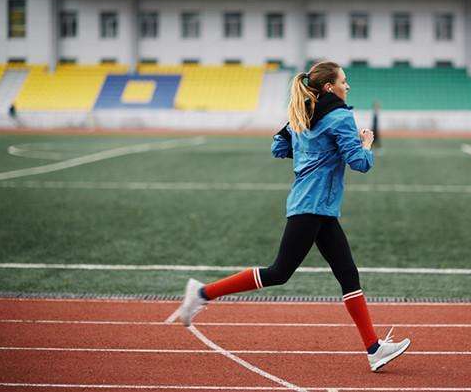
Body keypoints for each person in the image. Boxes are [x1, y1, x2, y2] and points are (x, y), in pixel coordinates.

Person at [176, 61, 411, 372]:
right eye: (344, 81)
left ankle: (373, 349)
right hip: (311, 208)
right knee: (278, 272)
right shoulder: (340, 116)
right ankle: (202, 293)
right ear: (330, 87)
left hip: (318, 208)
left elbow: (278, 147)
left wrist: (313, 151)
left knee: (348, 274)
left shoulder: (301, 114)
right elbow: (360, 163)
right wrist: (365, 143)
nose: (348, 86)